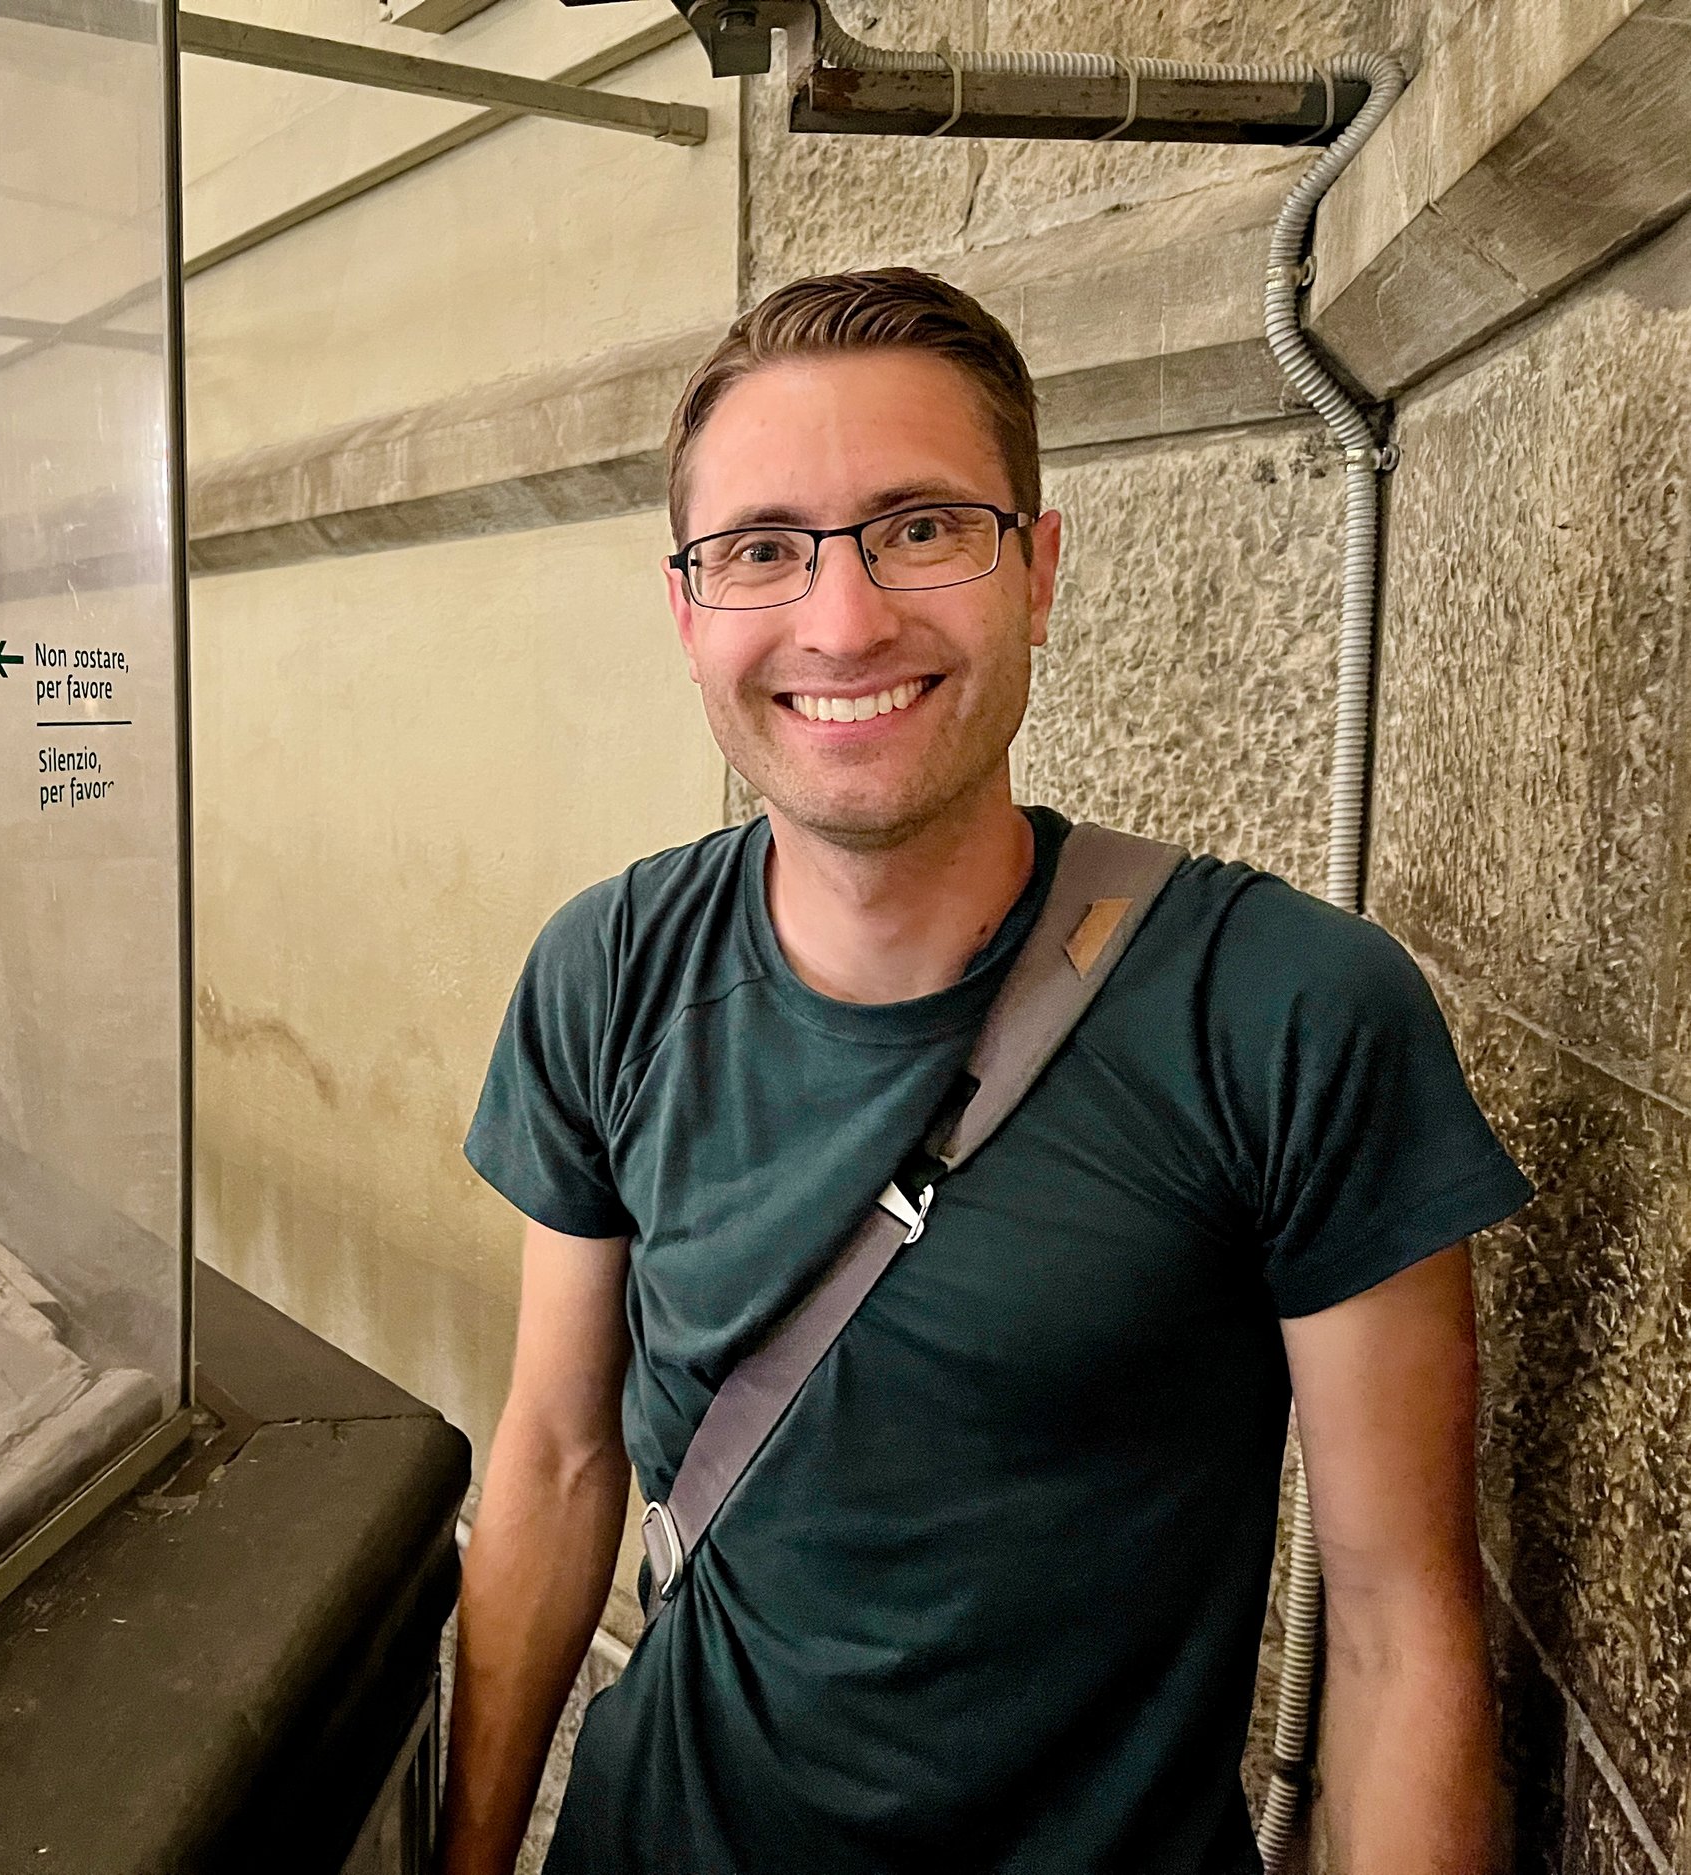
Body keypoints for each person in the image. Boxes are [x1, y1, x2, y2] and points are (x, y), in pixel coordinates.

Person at [441, 268, 1531, 1874]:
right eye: (762, 551)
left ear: (1038, 568)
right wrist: (469, 1855)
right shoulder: (607, 973)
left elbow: (1394, 1627)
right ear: (688, 614)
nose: (842, 619)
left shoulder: (1288, 1012)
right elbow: (553, 1451)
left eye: (921, 527)